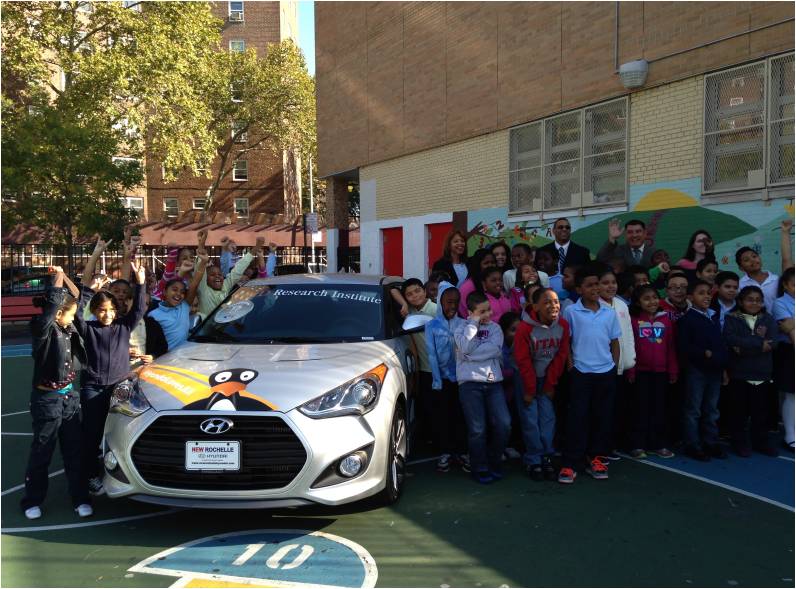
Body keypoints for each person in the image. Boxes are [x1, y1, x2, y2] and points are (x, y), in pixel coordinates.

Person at [74, 238, 148, 497]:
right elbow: (79, 307)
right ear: (94, 311)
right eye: (101, 310)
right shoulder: (88, 328)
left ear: (116, 311)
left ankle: (126, 472)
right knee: (92, 434)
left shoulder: (124, 327)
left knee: (122, 432)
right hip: (94, 388)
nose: (106, 314)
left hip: (120, 388)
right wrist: (95, 257)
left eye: (110, 310)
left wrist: (140, 282)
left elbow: (139, 308)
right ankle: (90, 476)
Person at [22, 267, 92, 520]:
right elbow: (53, 306)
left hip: (68, 398)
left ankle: (80, 498)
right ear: (58, 314)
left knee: (74, 451)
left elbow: (79, 298)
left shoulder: (69, 328)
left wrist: (64, 275)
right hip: (47, 400)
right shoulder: (42, 330)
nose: (74, 319)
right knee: (43, 451)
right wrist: (57, 280)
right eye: (69, 315)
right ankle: (32, 500)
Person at [559, 264, 622, 484]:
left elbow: (615, 342)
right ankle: (571, 463)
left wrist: (613, 366)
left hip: (605, 373)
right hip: (581, 373)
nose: (595, 288)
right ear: (579, 289)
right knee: (577, 418)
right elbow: (566, 341)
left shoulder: (609, 313)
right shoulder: (571, 312)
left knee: (602, 418)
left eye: (597, 284)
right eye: (590, 285)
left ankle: (596, 459)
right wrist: (571, 365)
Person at [513, 288, 570, 481]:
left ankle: (547, 455)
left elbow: (561, 355)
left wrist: (550, 384)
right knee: (530, 420)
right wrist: (530, 390)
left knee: (547, 418)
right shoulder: (524, 329)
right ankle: (533, 459)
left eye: (556, 301)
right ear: (535, 306)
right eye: (546, 302)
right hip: (526, 379)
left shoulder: (563, 325)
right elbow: (523, 362)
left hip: (547, 379)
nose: (553, 306)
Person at [454, 291, 510, 484]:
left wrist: (469, 355)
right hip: (469, 384)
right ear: (470, 313)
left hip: (493, 383)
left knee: (504, 424)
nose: (488, 314)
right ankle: (479, 467)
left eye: (488, 310)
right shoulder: (461, 328)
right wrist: (473, 325)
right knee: (477, 429)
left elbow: (494, 350)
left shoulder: (496, 328)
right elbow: (465, 347)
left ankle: (494, 461)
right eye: (482, 312)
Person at [723, 285, 779, 457]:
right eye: (750, 300)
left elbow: (773, 342)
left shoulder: (768, 319)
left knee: (760, 412)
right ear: (741, 301)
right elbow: (731, 340)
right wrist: (759, 343)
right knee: (739, 412)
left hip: (762, 372)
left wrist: (744, 347)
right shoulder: (732, 318)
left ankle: (760, 441)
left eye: (758, 300)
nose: (754, 303)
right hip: (740, 373)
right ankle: (739, 442)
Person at [676, 280, 729, 461]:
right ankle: (692, 444)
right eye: (701, 293)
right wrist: (703, 353)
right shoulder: (686, 320)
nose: (706, 296)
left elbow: (721, 344)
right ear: (690, 297)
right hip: (696, 371)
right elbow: (684, 347)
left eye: (708, 293)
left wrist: (723, 367)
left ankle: (710, 442)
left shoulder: (713, 317)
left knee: (712, 409)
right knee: (693, 410)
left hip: (715, 370)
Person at [626, 285, 678, 459]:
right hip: (640, 373)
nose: (652, 301)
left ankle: (658, 444)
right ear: (638, 302)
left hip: (661, 373)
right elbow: (631, 347)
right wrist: (631, 371)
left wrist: (672, 370)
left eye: (655, 297)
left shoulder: (666, 320)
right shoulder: (633, 320)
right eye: (646, 298)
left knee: (659, 409)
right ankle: (637, 444)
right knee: (640, 409)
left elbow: (670, 347)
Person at [426, 282, 469, 472]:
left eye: (456, 302)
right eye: (448, 302)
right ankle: (445, 451)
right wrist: (437, 380)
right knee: (443, 416)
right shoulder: (432, 326)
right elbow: (432, 355)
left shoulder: (464, 324)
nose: (453, 306)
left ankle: (462, 451)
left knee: (461, 415)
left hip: (461, 379)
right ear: (440, 302)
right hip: (442, 380)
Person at [598, 265, 636, 460]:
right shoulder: (596, 306)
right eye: (605, 283)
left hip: (622, 367)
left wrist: (630, 360)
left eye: (613, 282)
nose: (611, 286)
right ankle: (602, 447)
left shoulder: (621, 305)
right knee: (603, 410)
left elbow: (628, 334)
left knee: (618, 408)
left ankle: (614, 444)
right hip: (603, 368)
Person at [148, 253, 205, 352]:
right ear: (165, 292)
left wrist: (203, 262)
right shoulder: (153, 315)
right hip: (164, 358)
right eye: (174, 290)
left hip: (184, 357)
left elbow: (195, 283)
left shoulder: (184, 306)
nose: (178, 294)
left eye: (182, 292)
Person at [773, 268, 795, 451]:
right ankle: (790, 436)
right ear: (785, 286)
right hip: (790, 351)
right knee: (792, 395)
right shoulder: (780, 303)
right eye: (794, 284)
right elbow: (790, 330)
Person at [736, 246, 779, 314]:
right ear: (741, 268)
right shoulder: (740, 285)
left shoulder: (776, 279)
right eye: (746, 260)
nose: (752, 260)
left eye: (754, 256)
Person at [457, 249, 496, 318]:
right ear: (478, 265)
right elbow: (466, 314)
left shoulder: (498, 282)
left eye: (493, 262)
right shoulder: (467, 287)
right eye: (486, 263)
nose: (490, 265)